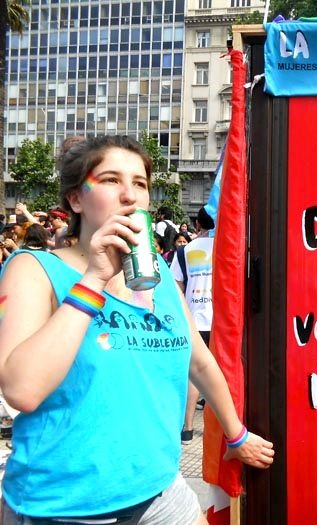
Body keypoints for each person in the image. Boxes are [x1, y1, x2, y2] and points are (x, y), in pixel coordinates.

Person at [0, 135, 274, 524]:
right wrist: (94, 279)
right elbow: (21, 391)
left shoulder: (158, 273)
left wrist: (237, 435)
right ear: (76, 199)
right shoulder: (33, 269)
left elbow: (198, 361)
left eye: (141, 183)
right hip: (64, 506)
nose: (130, 195)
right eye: (110, 180)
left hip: (160, 491)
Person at [171, 207, 214, 444]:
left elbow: (176, 286)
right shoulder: (229, 246)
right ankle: (220, 429)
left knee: (194, 376)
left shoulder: (184, 251)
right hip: (222, 321)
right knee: (224, 373)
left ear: (198, 224)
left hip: (193, 319)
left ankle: (187, 429)